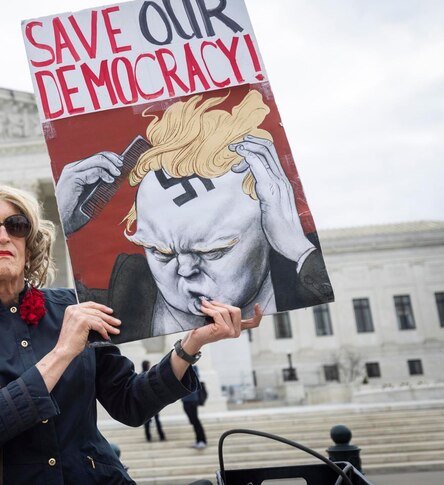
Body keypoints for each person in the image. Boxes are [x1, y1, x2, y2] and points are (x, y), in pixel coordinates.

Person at [0, 184, 262, 483]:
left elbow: (130, 403)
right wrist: (62, 351)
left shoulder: (75, 307)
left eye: (16, 225)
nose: (3, 235)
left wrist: (190, 344)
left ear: (28, 242)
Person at [57, 89, 333, 340]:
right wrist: (63, 228)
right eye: (160, 252)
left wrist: (299, 249)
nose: (186, 270)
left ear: (270, 228)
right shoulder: (116, 302)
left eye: (212, 251)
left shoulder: (304, 279)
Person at [182, 366, 207, 449]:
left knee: (195, 421)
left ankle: (202, 441)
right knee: (194, 421)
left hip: (191, 400)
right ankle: (198, 440)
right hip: (186, 399)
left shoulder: (193, 368)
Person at [141, 360, 165, 442]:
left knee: (147, 422)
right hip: (153, 402)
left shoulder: (141, 375)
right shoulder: (148, 375)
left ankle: (149, 437)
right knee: (156, 421)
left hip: (146, 404)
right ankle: (161, 436)